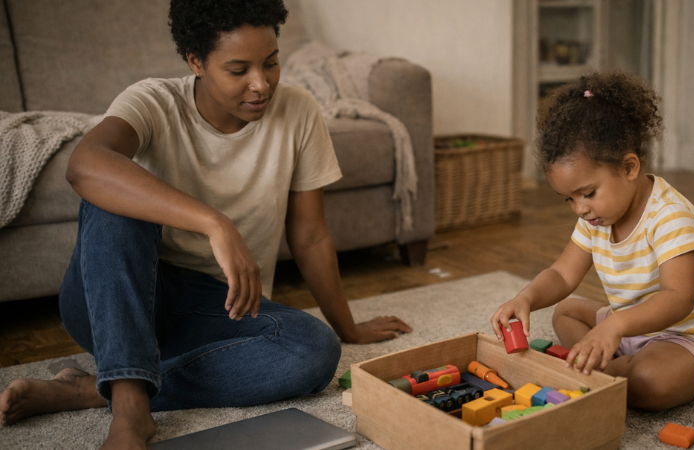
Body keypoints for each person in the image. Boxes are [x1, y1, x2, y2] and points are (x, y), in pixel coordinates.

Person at [0, 0, 412, 448]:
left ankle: (102, 389)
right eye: (239, 70)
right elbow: (85, 165)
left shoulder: (299, 111)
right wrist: (214, 223)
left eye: (271, 64)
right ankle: (132, 411)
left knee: (312, 350)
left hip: (221, 313)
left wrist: (346, 326)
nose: (261, 84)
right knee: (112, 197)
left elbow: (310, 234)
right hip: (115, 299)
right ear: (196, 61)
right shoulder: (153, 101)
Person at [490, 72, 694, 412]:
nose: (580, 209)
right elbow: (563, 275)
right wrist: (526, 298)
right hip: (631, 325)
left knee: (650, 382)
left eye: (587, 193)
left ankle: (599, 372)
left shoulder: (670, 216)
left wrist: (614, 326)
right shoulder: (597, 216)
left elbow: (677, 298)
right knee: (564, 312)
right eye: (568, 199)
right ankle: (605, 365)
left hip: (693, 339)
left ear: (629, 167)